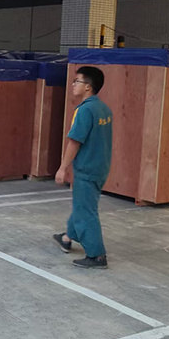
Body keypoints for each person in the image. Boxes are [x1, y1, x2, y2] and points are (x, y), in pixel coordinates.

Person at [54, 66, 112, 268]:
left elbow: (75, 141)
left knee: (86, 210)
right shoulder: (104, 109)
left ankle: (97, 255)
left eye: (76, 81)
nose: (73, 85)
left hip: (86, 169)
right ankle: (68, 237)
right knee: (83, 204)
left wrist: (63, 168)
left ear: (88, 86)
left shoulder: (84, 110)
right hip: (100, 167)